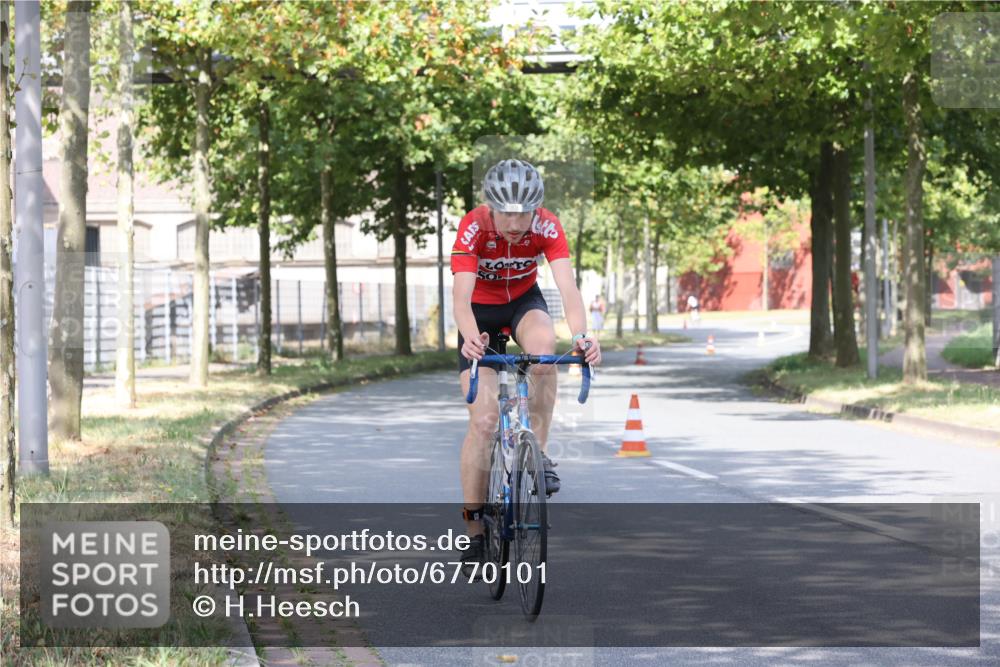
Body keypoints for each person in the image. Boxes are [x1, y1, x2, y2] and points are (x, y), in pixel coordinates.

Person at [451, 159, 602, 570]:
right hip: (478, 315)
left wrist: (583, 335)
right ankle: (474, 532)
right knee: (482, 422)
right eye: (507, 213)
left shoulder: (547, 226)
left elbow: (568, 288)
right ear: (491, 208)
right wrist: (470, 338)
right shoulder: (473, 226)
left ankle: (540, 451)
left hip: (522, 302)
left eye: (525, 212)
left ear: (537, 208)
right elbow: (461, 298)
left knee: (544, 352)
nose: (516, 222)